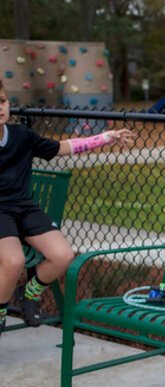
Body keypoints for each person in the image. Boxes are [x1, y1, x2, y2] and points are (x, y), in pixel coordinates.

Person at [0, 78, 135, 336]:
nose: (0, 108)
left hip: (24, 208)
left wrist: (105, 137)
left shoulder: (21, 135)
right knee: (13, 260)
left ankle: (28, 293)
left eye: (2, 101)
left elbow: (62, 147)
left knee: (63, 256)